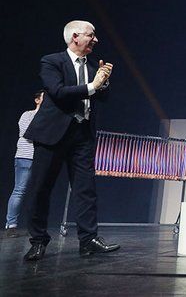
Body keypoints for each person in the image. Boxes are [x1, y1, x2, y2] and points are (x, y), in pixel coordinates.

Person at [23, 20, 118, 261]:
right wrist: (92, 86)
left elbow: (100, 96)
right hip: (53, 134)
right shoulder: (52, 61)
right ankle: (38, 241)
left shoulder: (93, 67)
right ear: (75, 37)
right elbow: (58, 92)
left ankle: (88, 240)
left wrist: (103, 83)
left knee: (86, 189)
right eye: (91, 35)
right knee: (41, 188)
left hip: (82, 134)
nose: (95, 40)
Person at [4, 90, 44, 237]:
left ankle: (34, 226)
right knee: (20, 190)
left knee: (38, 193)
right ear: (37, 100)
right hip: (25, 157)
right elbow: (28, 133)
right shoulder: (28, 114)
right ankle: (11, 225)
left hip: (40, 158)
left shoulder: (48, 117)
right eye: (44, 98)